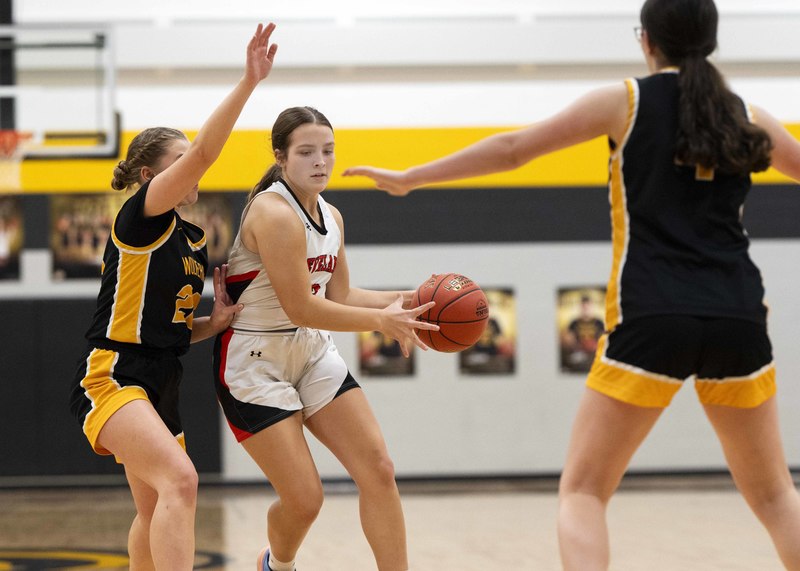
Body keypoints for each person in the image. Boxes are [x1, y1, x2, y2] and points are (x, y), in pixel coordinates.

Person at [343, 0, 800, 568]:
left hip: (653, 311)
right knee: (777, 494)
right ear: (710, 41)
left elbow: (514, 150)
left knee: (583, 492)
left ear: (646, 41)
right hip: (739, 313)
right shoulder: (747, 114)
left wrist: (413, 177)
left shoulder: (626, 101)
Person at [68, 23, 278, 571]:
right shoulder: (142, 217)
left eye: (192, 160)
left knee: (158, 503)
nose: (195, 168)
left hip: (163, 376)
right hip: (114, 372)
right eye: (181, 160)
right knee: (182, 481)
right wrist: (248, 82)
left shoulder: (191, 239)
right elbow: (208, 149)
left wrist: (218, 319)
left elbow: (178, 329)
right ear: (148, 175)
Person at [211, 106, 438, 571]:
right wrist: (381, 323)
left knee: (379, 470)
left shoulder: (331, 215)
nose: (321, 161)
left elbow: (342, 293)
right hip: (254, 361)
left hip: (310, 350)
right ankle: (277, 563)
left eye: (328, 151)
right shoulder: (272, 213)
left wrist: (412, 298)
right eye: (307, 152)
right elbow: (302, 306)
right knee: (306, 500)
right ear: (281, 157)